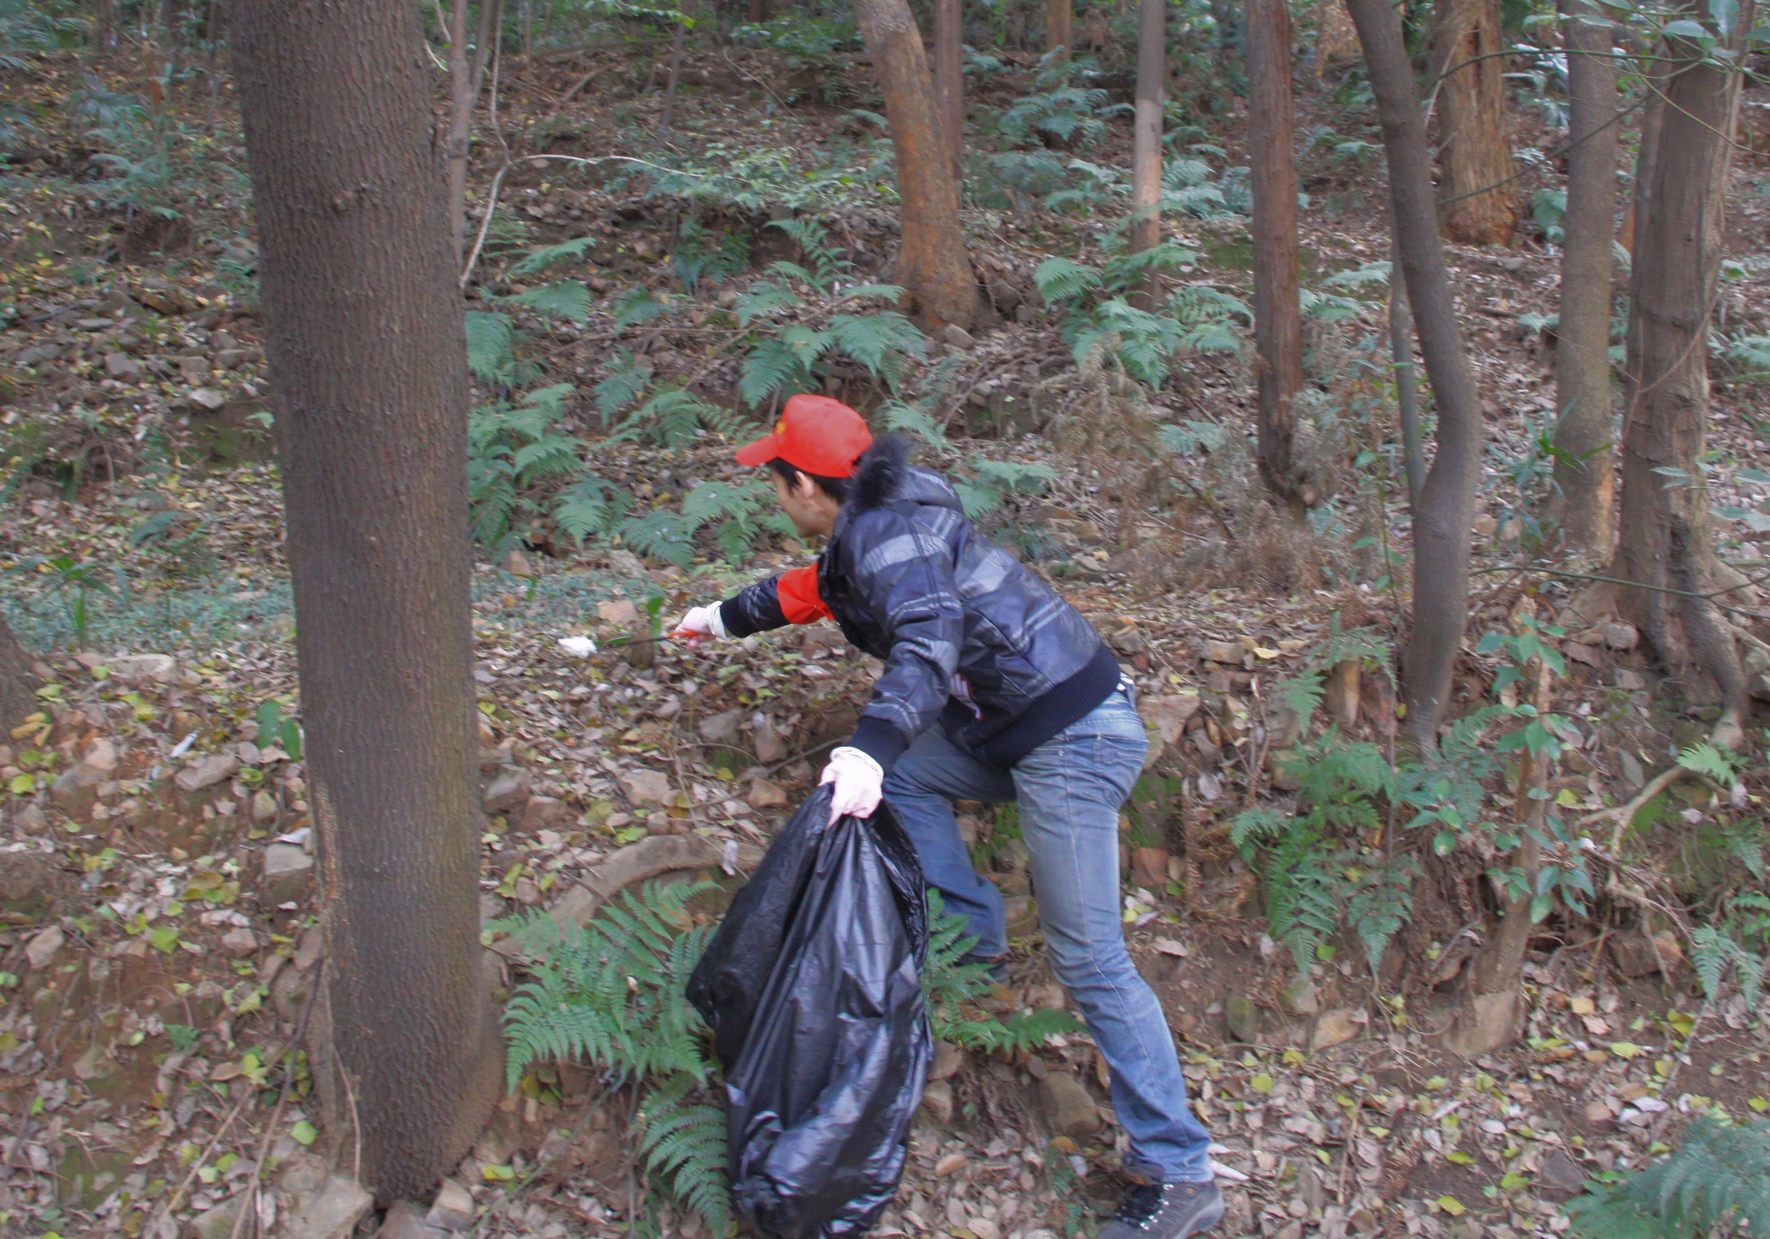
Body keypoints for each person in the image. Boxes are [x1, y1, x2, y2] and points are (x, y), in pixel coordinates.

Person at [676, 394, 1224, 1238]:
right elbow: (813, 591)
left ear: (805, 487)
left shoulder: (888, 535)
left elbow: (929, 635)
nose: (773, 496)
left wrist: (869, 745)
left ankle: (1179, 1168)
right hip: (1017, 725)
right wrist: (716, 619)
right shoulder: (873, 527)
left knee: (1089, 956)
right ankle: (975, 944)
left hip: (1072, 735)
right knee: (905, 776)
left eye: (774, 482)